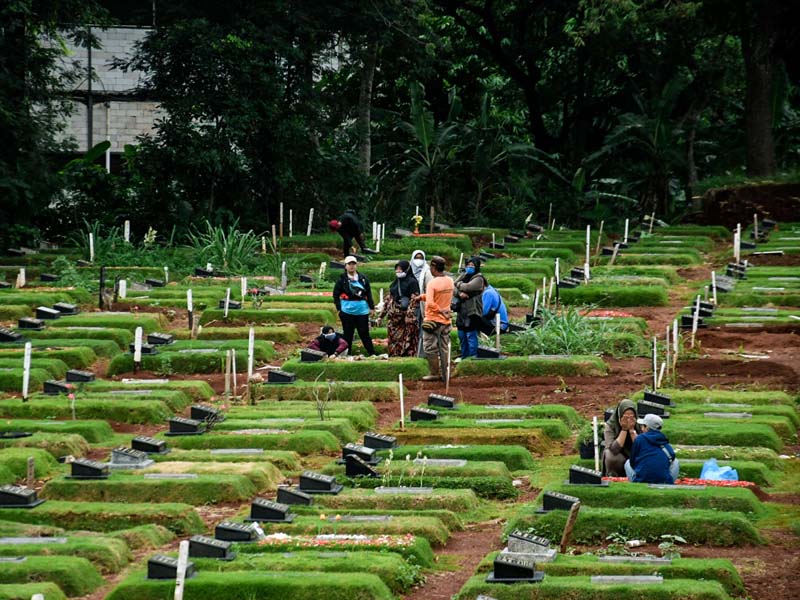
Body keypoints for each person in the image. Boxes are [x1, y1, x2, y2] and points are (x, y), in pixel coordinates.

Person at [419, 256, 454, 382]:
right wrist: (421, 297)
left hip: (433, 320)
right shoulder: (450, 280)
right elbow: (436, 296)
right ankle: (445, 373)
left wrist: (440, 310)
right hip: (446, 321)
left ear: (433, 268)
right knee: (444, 347)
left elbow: (430, 303)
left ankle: (434, 373)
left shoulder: (432, 283)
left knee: (429, 347)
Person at [332, 255, 376, 356]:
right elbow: (335, 294)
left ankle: (372, 354)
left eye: (353, 264)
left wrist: (371, 307)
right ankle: (347, 354)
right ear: (345, 266)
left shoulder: (363, 278)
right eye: (349, 264)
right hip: (347, 311)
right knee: (348, 334)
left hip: (362, 310)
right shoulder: (342, 280)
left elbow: (368, 293)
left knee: (364, 333)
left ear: (356, 265)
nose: (351, 266)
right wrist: (339, 308)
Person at [379, 260, 420, 357]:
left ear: (406, 269)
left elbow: (414, 300)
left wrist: (409, 315)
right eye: (397, 269)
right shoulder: (395, 283)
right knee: (394, 340)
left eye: (400, 269)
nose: (398, 271)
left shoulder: (412, 282)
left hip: (406, 319)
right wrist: (381, 316)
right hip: (394, 319)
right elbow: (388, 300)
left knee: (407, 340)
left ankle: (407, 358)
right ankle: (395, 357)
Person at [625, 414, 679, 484]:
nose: (641, 428)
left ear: (647, 427)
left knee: (627, 462)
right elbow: (672, 455)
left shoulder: (640, 439)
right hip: (663, 480)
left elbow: (632, 460)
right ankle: (668, 483)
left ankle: (637, 482)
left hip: (641, 480)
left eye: (643, 426)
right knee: (675, 462)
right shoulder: (663, 439)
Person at [453, 257, 487, 360]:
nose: (470, 267)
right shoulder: (464, 275)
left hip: (472, 311)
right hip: (462, 311)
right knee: (462, 335)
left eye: (472, 265)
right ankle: (464, 357)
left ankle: (472, 358)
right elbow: (453, 287)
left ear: (477, 266)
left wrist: (459, 284)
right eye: (468, 265)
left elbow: (468, 287)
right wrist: (459, 293)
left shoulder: (479, 278)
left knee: (470, 335)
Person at [603, 399, 640, 477]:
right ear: (620, 415)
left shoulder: (640, 425)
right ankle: (613, 475)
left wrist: (631, 430)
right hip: (619, 456)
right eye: (626, 417)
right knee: (610, 455)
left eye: (631, 416)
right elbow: (614, 449)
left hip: (635, 455)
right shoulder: (611, 425)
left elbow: (641, 447)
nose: (629, 420)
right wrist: (624, 429)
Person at [410, 249, 433, 356]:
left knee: (422, 329)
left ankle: (421, 353)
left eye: (420, 258)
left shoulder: (427, 272)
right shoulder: (408, 270)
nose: (418, 260)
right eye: (416, 258)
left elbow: (430, 289)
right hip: (410, 305)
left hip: (422, 304)